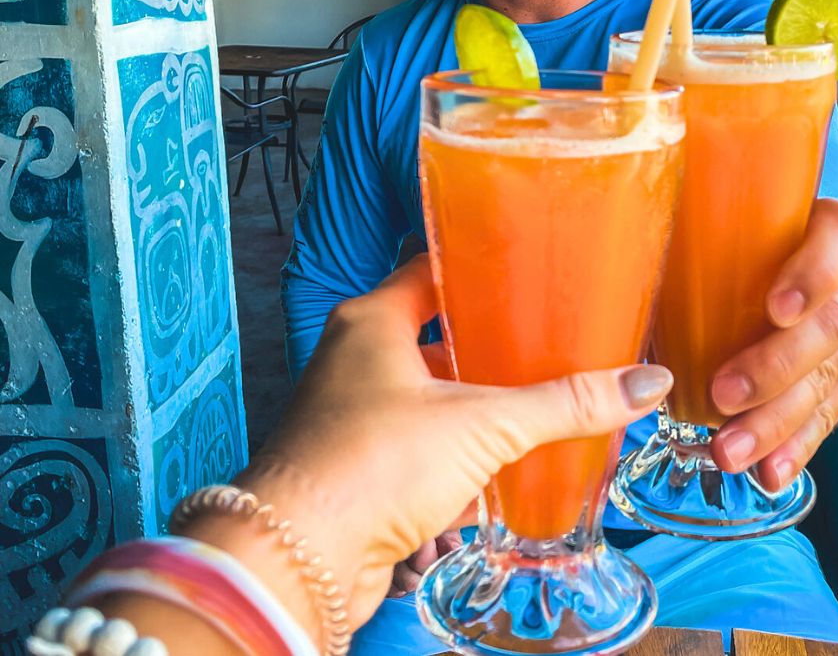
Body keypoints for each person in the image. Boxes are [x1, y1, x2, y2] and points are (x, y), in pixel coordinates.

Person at [283, 0, 838, 648]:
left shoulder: (736, 34)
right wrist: (367, 466)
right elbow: (328, 287)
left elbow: (827, 267)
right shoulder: (389, 55)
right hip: (463, 533)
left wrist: (829, 322)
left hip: (706, 532)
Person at [28, 258, 678, 655]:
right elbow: (328, 286)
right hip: (445, 536)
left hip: (677, 529)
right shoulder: (385, 61)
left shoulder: (721, 31)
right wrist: (339, 506)